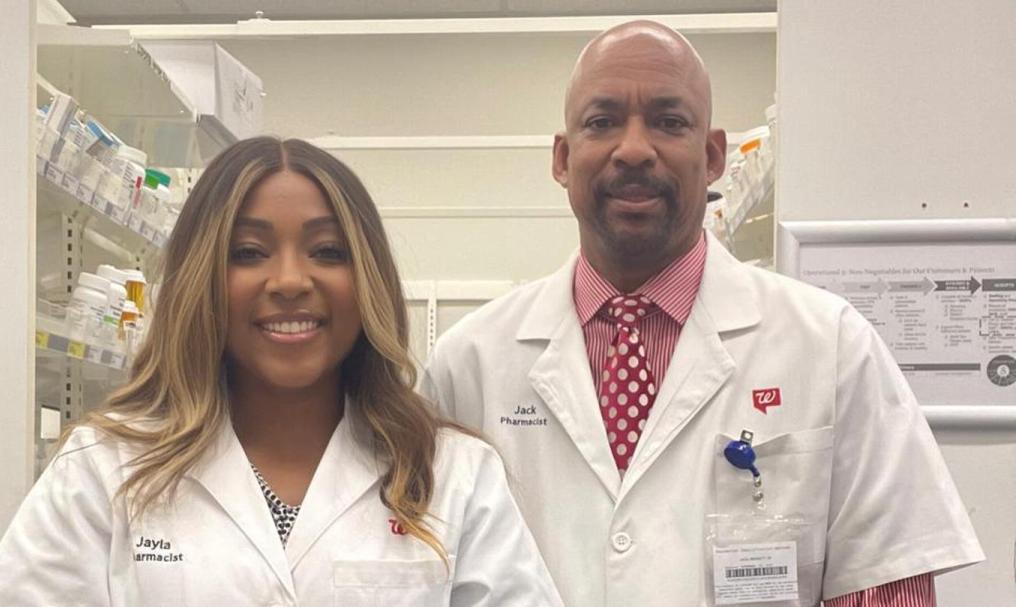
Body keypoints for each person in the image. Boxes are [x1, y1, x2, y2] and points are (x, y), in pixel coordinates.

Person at [420, 20, 983, 607]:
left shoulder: (831, 346)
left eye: (668, 122)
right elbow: (422, 577)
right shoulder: (468, 365)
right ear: (562, 159)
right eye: (602, 122)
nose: (633, 149)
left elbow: (884, 582)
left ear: (713, 155)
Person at [0, 137, 563, 606]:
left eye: (327, 251)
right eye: (248, 253)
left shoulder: (453, 475)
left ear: (368, 279)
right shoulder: (103, 469)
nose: (290, 281)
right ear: (202, 278)